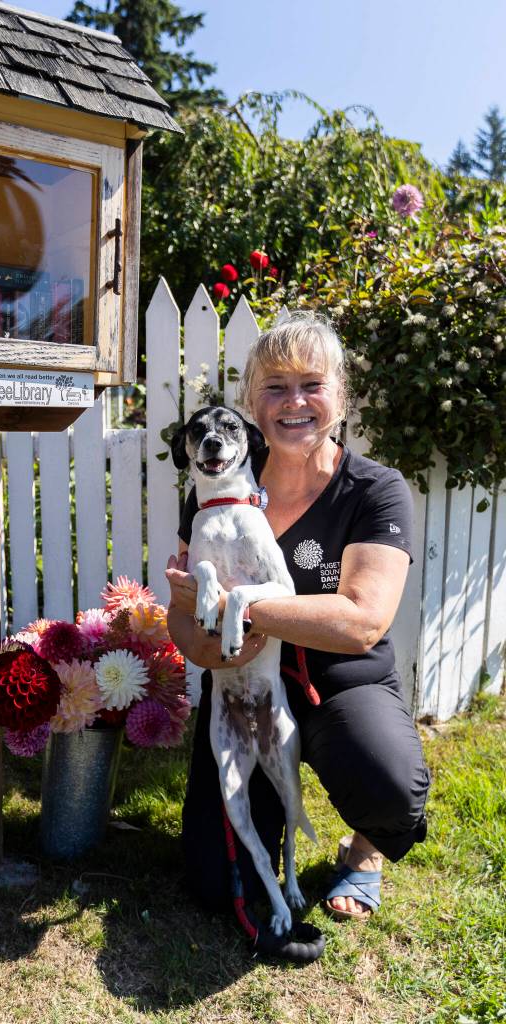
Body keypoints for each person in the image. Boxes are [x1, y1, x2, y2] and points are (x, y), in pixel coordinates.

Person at [165, 311, 430, 922]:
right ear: (250, 405)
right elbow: (181, 614)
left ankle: (363, 851)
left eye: (312, 384)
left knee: (389, 786)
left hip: (340, 680)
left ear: (340, 395)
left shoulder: (374, 490)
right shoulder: (217, 478)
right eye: (275, 387)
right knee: (213, 882)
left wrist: (242, 606)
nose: (294, 402)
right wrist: (205, 649)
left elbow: (362, 619)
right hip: (244, 681)